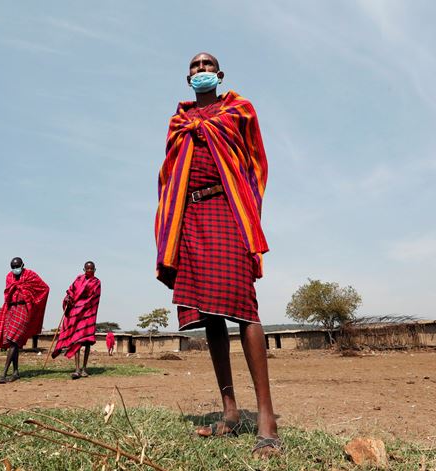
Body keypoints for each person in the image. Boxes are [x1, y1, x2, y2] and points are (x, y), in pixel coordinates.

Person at [154, 52, 280, 457]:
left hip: (227, 209)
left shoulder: (239, 110)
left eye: (207, 65)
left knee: (245, 308)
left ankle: (266, 419)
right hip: (190, 216)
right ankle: (230, 411)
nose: (201, 70)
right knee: (210, 314)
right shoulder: (179, 122)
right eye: (195, 66)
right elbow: (168, 175)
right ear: (187, 77)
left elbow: (257, 162)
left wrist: (249, 211)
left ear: (219, 74)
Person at [0, 257, 50, 384]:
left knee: (13, 340)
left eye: (17, 266)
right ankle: (16, 372)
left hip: (24, 309)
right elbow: (7, 292)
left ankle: (4, 373)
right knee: (14, 342)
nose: (15, 269)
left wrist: (33, 301)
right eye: (13, 267)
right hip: (11, 309)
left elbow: (44, 288)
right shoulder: (9, 277)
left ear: (22, 265)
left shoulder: (30, 275)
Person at [51, 261, 101, 379]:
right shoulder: (78, 279)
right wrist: (68, 299)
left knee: (87, 342)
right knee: (77, 340)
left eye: (91, 269)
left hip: (88, 314)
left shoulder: (97, 282)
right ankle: (77, 369)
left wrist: (81, 305)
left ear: (95, 270)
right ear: (84, 269)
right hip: (76, 314)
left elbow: (94, 298)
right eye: (87, 269)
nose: (89, 271)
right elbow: (71, 291)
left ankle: (84, 369)